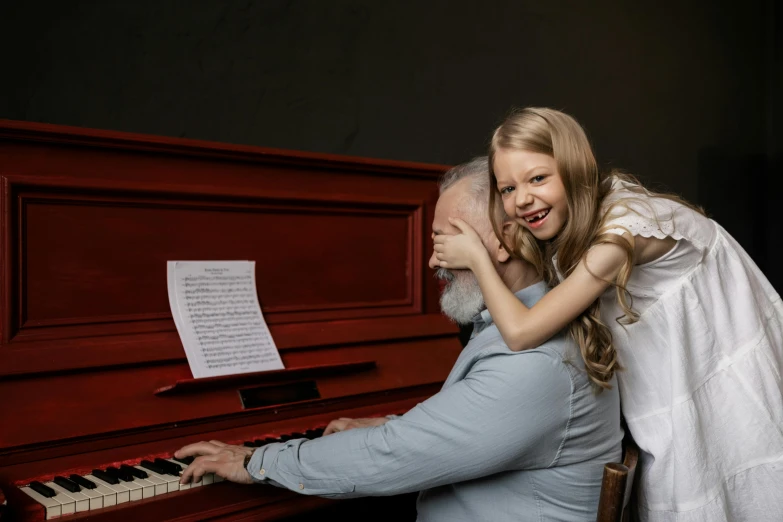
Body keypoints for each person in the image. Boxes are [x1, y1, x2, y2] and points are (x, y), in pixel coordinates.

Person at [174, 157, 623, 522]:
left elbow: (393, 456)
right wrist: (396, 423)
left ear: (504, 240)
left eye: (443, 241)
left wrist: (255, 462)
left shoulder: (536, 362)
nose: (431, 261)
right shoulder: (524, 324)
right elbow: (469, 426)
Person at [433, 107, 783, 521]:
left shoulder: (622, 230)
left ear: (574, 167)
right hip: (665, 374)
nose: (522, 199)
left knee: (741, 483)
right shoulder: (569, 229)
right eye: (507, 189)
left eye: (538, 178)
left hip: (722, 366)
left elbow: (522, 332)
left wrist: (477, 258)